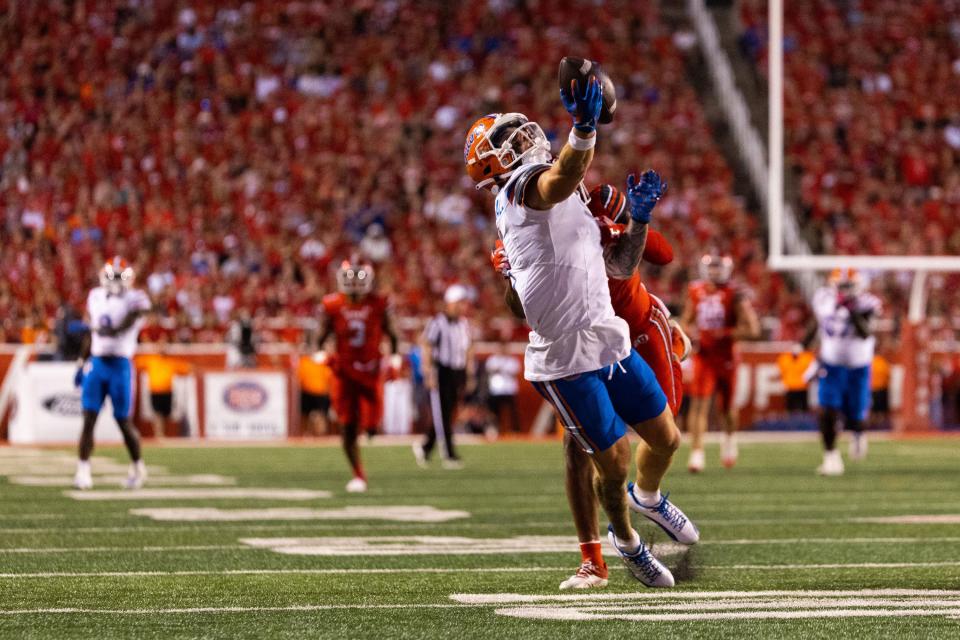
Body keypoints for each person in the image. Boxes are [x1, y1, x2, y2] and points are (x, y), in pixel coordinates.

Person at [465, 75, 696, 589]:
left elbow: (618, 266)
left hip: (607, 336)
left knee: (666, 437)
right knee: (611, 465)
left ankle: (646, 501)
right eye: (510, 141)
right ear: (493, 165)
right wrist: (585, 129)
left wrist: (637, 221)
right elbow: (559, 180)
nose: (525, 139)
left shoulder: (556, 192)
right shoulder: (520, 190)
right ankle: (627, 543)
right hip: (566, 358)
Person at [492, 181, 695, 590]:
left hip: (628, 329)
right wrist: (513, 273)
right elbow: (522, 307)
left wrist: (628, 218)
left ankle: (649, 497)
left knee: (666, 437)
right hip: (572, 351)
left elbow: (652, 256)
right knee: (596, 452)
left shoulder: (589, 212)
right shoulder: (526, 229)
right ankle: (606, 550)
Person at [317, 257, 399, 492]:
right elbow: (319, 336)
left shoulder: (379, 303)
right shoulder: (332, 305)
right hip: (344, 370)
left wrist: (393, 359)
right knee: (347, 425)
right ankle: (358, 474)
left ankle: (371, 428)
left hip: (371, 370)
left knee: (372, 424)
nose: (353, 286)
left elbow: (392, 334)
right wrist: (320, 352)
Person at [73, 257, 152, 490]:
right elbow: (92, 334)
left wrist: (114, 329)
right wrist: (81, 361)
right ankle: (83, 469)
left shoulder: (136, 297)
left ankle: (138, 466)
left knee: (123, 421)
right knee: (89, 418)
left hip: (120, 366)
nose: (116, 281)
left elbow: (135, 316)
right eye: (113, 276)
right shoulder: (95, 296)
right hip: (97, 364)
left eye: (120, 276)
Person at [680, 253, 760, 472]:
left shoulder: (735, 293)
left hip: (726, 357)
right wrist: (691, 332)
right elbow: (686, 321)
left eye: (718, 268)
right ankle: (697, 453)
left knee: (726, 407)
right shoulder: (695, 290)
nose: (714, 273)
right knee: (698, 404)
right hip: (704, 356)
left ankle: (729, 439)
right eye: (711, 268)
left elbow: (753, 329)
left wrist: (723, 334)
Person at [804, 268, 881, 475]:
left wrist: (851, 310)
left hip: (858, 366)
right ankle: (831, 457)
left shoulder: (868, 303)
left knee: (856, 417)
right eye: (842, 286)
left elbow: (866, 333)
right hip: (831, 363)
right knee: (827, 410)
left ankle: (857, 433)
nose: (845, 290)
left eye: (849, 286)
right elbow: (818, 322)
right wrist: (803, 343)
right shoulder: (823, 299)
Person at [413, 284, 474, 469]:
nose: (462, 306)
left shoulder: (463, 324)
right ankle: (449, 454)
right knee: (443, 414)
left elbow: (468, 348)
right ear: (450, 303)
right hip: (442, 371)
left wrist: (469, 374)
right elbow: (427, 345)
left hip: (457, 371)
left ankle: (424, 448)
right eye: (459, 302)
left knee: (447, 414)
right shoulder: (437, 322)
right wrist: (428, 371)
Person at [135, 339, 192, 438]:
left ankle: (163, 433)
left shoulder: (170, 361)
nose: (162, 349)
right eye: (160, 346)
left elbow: (185, 368)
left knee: (166, 414)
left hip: (167, 391)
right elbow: (136, 363)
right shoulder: (151, 359)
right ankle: (159, 434)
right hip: (155, 391)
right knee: (157, 413)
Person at [484, 342, 522, 434]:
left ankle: (515, 431)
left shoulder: (512, 360)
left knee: (513, 412)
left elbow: (515, 372)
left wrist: (501, 369)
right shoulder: (492, 359)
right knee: (494, 412)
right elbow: (489, 370)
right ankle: (494, 429)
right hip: (496, 390)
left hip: (509, 390)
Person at [296, 345, 334, 436]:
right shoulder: (305, 362)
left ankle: (319, 435)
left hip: (320, 393)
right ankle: (306, 434)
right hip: (309, 392)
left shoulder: (323, 363)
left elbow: (329, 378)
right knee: (306, 415)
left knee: (321, 415)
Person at [777, 345, 816, 414]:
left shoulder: (807, 358)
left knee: (804, 409)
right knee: (790, 409)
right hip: (790, 387)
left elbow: (812, 371)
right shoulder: (785, 359)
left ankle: (803, 422)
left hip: (802, 387)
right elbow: (781, 372)